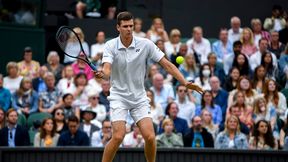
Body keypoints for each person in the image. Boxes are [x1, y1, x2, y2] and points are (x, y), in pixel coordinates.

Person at [94, 12, 202, 162]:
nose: (129, 29)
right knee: (118, 136)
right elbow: (107, 70)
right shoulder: (110, 45)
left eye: (131, 26)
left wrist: (184, 82)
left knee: (150, 137)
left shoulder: (146, 44)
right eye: (125, 26)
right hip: (119, 96)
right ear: (118, 27)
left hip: (139, 97)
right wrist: (102, 74)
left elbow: (167, 65)